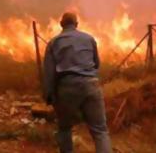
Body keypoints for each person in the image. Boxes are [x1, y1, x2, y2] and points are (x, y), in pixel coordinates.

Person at [43, 12, 112, 153]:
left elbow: (49, 72)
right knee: (100, 131)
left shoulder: (53, 42)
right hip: (91, 85)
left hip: (66, 88)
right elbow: (96, 64)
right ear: (76, 24)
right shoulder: (89, 39)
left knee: (64, 128)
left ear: (61, 24)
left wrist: (49, 94)